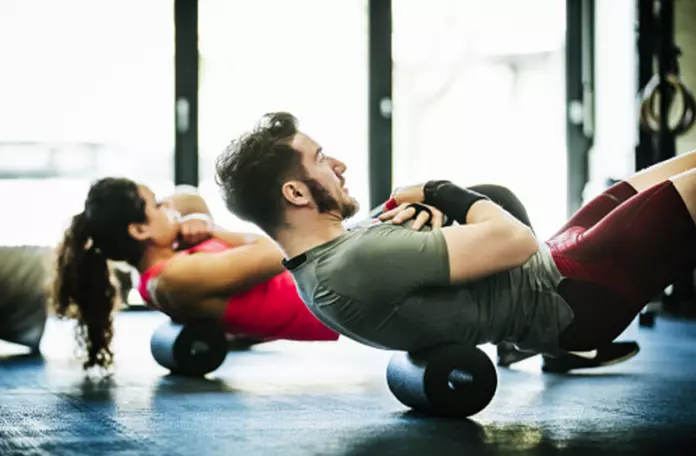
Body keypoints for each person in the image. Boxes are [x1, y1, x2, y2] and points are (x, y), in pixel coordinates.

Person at [214, 111, 696, 362]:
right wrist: (438, 190)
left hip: (558, 275)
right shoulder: (352, 262)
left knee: (675, 171)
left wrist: (433, 208)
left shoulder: (328, 261)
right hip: (573, 294)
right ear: (296, 192)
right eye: (321, 159)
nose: (339, 164)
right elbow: (517, 241)